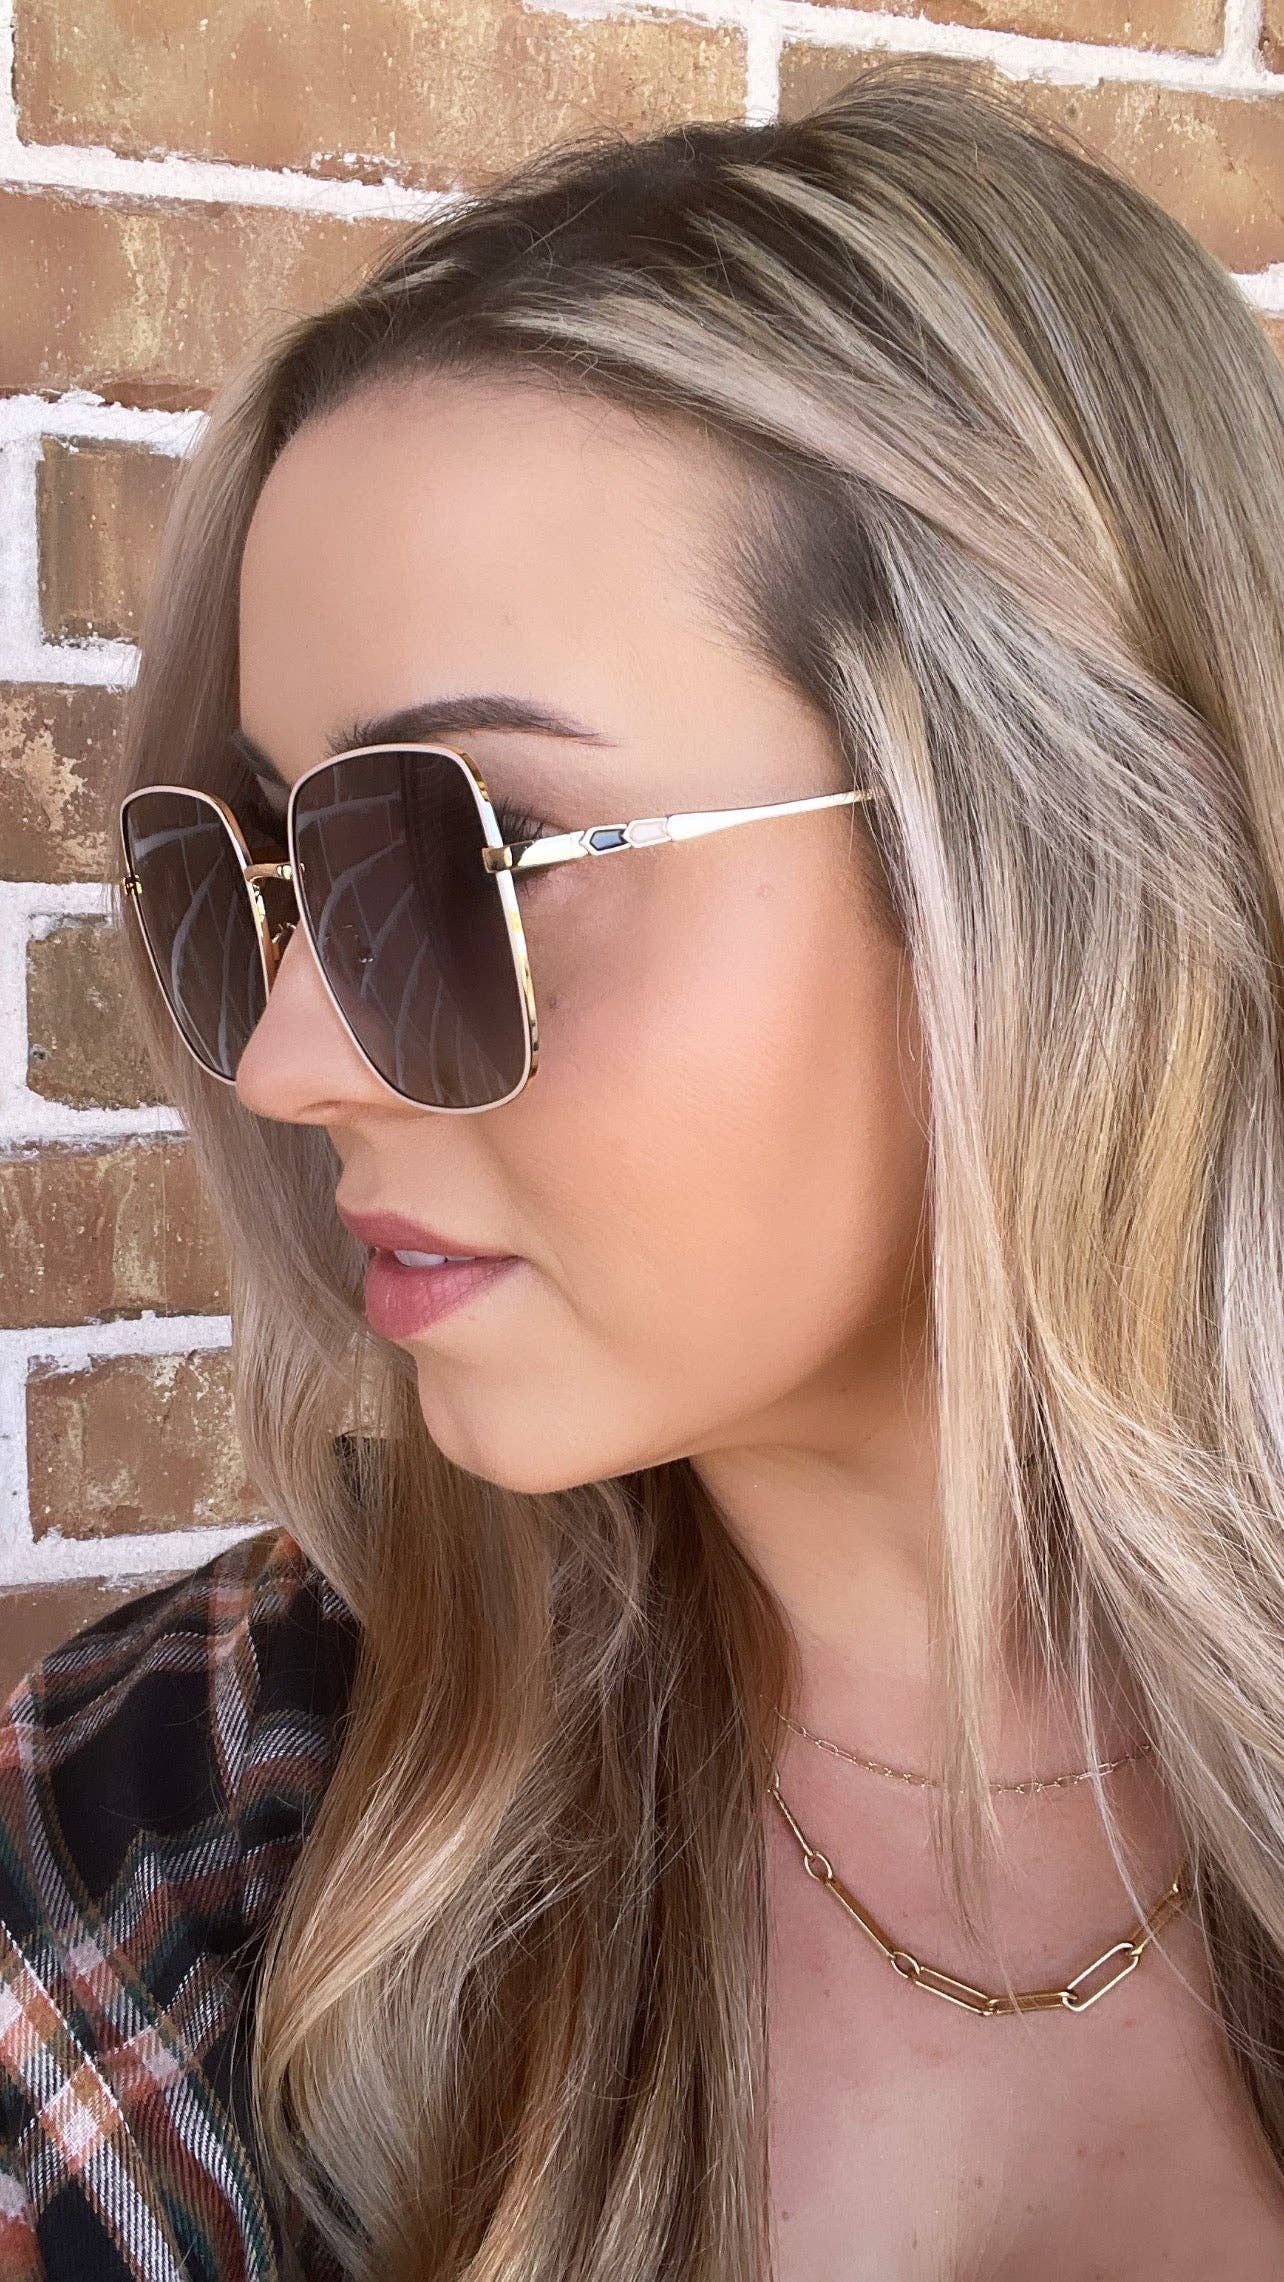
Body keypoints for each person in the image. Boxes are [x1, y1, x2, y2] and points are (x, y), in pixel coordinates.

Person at [4, 49, 1284, 2281]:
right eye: (271, 865)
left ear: (1061, 863)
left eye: (474, 849)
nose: (287, 1058)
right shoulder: (185, 1834)